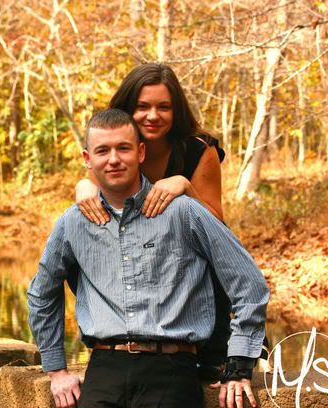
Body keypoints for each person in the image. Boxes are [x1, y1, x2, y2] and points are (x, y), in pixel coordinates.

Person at [27, 109, 269, 408]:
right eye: (102, 150)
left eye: (123, 148)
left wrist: (238, 367)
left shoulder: (183, 212)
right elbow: (41, 294)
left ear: (140, 152)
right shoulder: (73, 222)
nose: (114, 159)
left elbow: (249, 285)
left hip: (171, 373)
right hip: (103, 372)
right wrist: (57, 370)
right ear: (88, 159)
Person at [74, 63, 238, 381]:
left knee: (213, 255)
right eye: (142, 107)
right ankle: (106, 340)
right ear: (126, 109)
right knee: (80, 245)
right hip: (134, 250)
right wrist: (83, 186)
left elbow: (217, 228)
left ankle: (217, 352)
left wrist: (186, 187)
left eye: (164, 107)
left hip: (183, 253)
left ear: (176, 110)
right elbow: (96, 192)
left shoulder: (199, 149)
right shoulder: (116, 146)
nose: (153, 116)